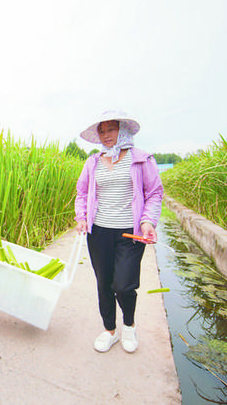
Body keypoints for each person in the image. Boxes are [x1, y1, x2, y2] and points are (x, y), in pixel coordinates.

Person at [74, 109, 163, 353]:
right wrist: (81, 217)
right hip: (99, 232)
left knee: (123, 285)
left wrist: (148, 222)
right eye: (102, 131)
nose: (106, 135)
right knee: (104, 283)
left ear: (122, 130)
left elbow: (154, 194)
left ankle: (130, 325)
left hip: (130, 233)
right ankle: (110, 330)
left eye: (110, 129)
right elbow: (82, 193)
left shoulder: (141, 159)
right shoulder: (92, 161)